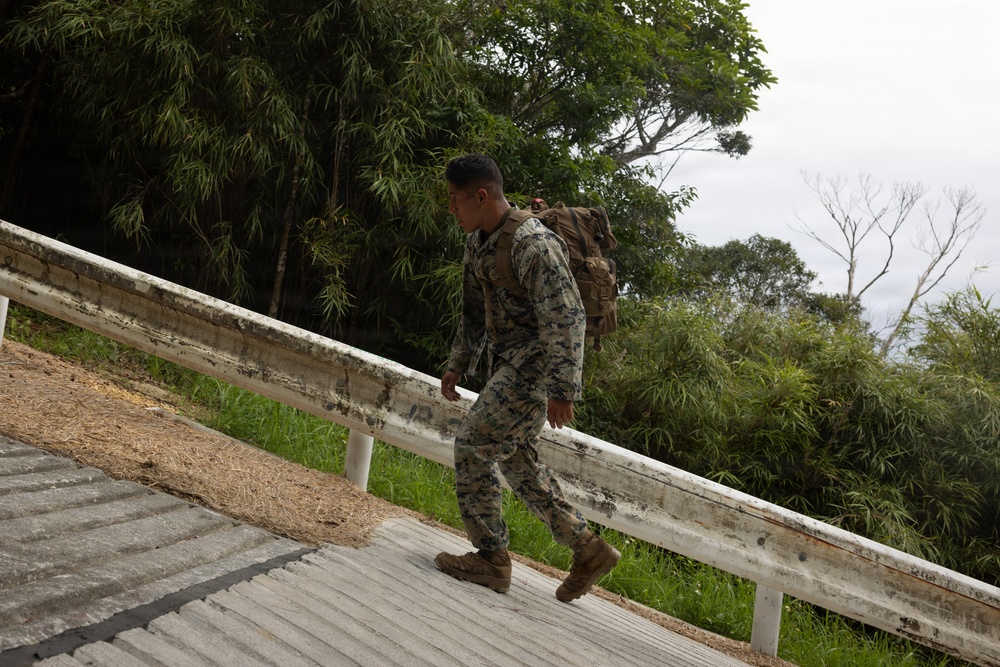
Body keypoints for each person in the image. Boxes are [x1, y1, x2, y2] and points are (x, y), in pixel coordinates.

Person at [435, 154, 620, 602]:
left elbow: (568, 317)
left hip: (534, 367)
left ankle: (491, 559)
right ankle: (589, 549)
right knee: (519, 462)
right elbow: (472, 309)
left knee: (474, 444)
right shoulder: (478, 240)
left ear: (481, 196)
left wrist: (562, 390)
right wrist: (460, 361)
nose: (451, 210)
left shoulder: (533, 243)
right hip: (509, 361)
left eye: (456, 200)